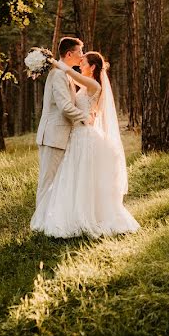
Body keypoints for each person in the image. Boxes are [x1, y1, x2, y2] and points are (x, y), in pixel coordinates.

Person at [31, 50, 139, 238]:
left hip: (85, 135)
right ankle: (72, 211)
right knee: (74, 176)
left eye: (84, 63)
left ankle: (86, 215)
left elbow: (71, 74)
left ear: (93, 67)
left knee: (82, 176)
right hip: (77, 135)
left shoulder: (93, 84)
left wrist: (51, 61)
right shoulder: (85, 84)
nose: (80, 65)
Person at [34, 37, 89, 215]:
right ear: (69, 53)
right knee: (47, 181)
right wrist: (85, 117)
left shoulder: (64, 73)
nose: (82, 56)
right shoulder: (58, 74)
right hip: (52, 135)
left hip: (59, 136)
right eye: (80, 52)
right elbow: (65, 107)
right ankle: (39, 223)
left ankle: (49, 219)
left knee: (55, 182)